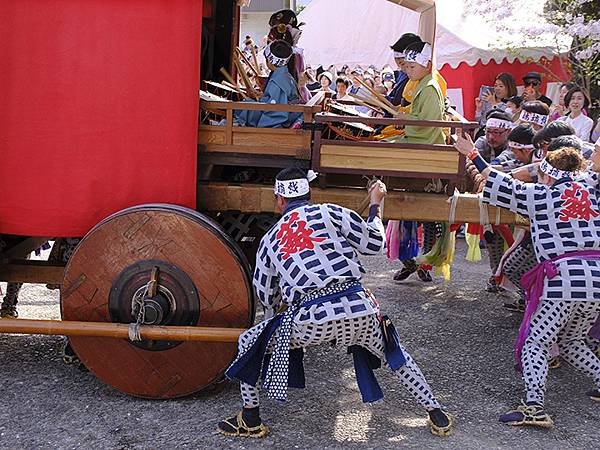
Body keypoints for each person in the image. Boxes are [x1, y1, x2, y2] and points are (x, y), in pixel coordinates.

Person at [217, 168, 453, 438]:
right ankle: (436, 412)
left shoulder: (270, 239)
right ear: (309, 193)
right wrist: (375, 204)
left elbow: (266, 296)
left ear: (279, 199)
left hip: (310, 319)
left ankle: (250, 419)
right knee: (394, 354)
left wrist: (277, 321)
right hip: (360, 308)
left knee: (249, 341)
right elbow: (376, 242)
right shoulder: (332, 212)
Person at [454, 134, 600, 428]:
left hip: (563, 280)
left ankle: (534, 406)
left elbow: (500, 183)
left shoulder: (540, 196)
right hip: (596, 280)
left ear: (546, 173)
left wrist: (472, 154)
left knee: (537, 343)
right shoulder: (593, 191)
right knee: (571, 341)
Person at [235, 40, 302, 128]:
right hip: (281, 109)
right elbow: (275, 98)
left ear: (270, 61)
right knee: (247, 104)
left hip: (278, 118)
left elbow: (276, 109)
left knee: (245, 106)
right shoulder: (285, 76)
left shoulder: (278, 81)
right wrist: (262, 96)